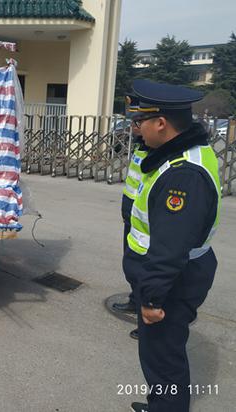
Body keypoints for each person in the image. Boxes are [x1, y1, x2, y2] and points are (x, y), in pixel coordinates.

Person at [123, 79, 221, 412]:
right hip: (174, 275)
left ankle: (166, 407)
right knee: (160, 352)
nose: (137, 129)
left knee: (163, 355)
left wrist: (151, 299)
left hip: (173, 281)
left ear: (161, 123)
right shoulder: (181, 154)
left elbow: (170, 248)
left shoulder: (183, 175)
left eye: (141, 121)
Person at [113, 95, 150, 340]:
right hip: (132, 218)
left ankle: (147, 322)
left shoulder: (157, 150)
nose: (134, 127)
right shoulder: (141, 145)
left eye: (137, 122)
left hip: (145, 223)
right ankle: (135, 301)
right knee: (132, 266)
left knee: (145, 271)